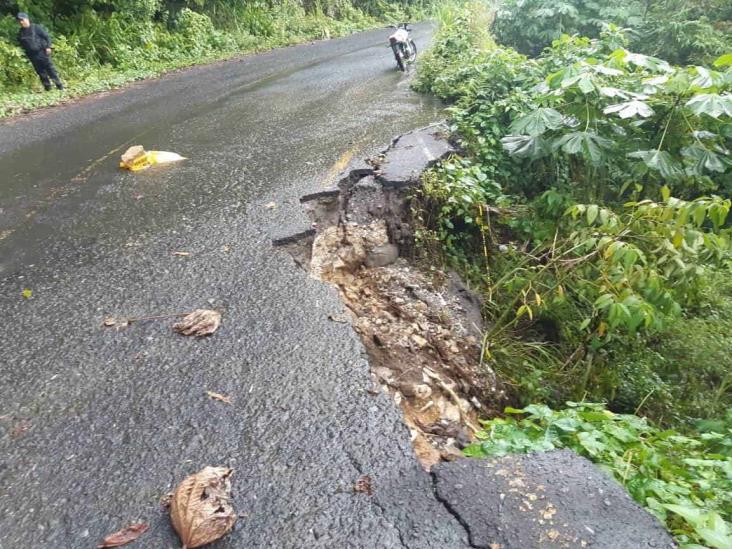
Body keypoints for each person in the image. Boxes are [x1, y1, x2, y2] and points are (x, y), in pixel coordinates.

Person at [16, 12, 64, 91]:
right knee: (41, 72)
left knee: (50, 69)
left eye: (22, 20)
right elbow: (21, 44)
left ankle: (59, 85)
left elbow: (47, 37)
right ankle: (47, 88)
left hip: (42, 52)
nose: (21, 22)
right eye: (19, 21)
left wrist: (48, 47)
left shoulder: (36, 28)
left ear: (27, 19)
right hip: (32, 55)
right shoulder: (21, 32)